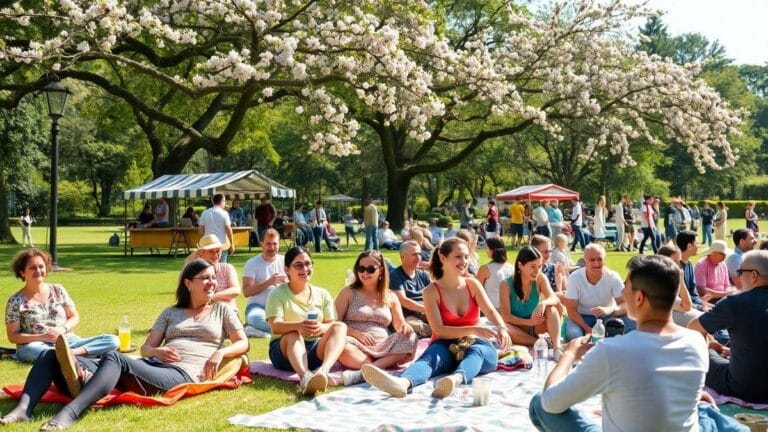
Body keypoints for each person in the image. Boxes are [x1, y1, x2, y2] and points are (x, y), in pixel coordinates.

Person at [0, 259, 248, 429]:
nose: (212, 283)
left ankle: (72, 410)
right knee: (50, 355)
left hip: (181, 373)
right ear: (188, 283)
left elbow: (243, 343)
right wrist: (157, 350)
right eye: (205, 278)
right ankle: (24, 408)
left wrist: (221, 352)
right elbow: (146, 349)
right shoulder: (170, 313)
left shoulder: (222, 310)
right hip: (152, 365)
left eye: (213, 278)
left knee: (114, 357)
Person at [529, 255, 744, 432]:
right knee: (704, 412)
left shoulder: (611, 351)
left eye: (626, 286)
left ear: (639, 298)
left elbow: (551, 403)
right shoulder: (697, 341)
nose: (622, 292)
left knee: (539, 403)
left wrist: (569, 355)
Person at [361, 238, 512, 399]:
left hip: (474, 343)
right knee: (429, 359)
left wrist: (502, 327)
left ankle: (455, 379)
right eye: (458, 256)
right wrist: (474, 328)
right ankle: (402, 384)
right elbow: (439, 330)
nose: (464, 261)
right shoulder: (431, 291)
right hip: (445, 344)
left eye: (466, 257)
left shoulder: (472, 284)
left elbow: (489, 310)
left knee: (478, 351)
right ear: (443, 258)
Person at [5, 249, 119, 363]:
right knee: (33, 350)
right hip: (36, 345)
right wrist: (43, 336)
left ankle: (71, 354)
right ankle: (76, 355)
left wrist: (62, 329)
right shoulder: (15, 301)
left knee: (113, 340)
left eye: (41, 266)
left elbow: (74, 317)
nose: (38, 271)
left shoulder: (58, 290)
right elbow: (13, 336)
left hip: (68, 340)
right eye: (32, 268)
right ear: (22, 272)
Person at [265, 246, 347, 395]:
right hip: (284, 352)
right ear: (287, 269)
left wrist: (320, 328)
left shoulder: (322, 294)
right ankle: (305, 377)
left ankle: (323, 371)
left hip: (314, 347)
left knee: (340, 327)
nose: (305, 268)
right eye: (298, 265)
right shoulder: (277, 294)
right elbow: (275, 326)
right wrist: (299, 326)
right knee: (294, 334)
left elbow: (330, 325)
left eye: (308, 264)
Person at [689, 250, 768, 404]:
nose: (738, 277)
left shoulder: (735, 303)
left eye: (740, 272)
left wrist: (710, 347)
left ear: (753, 276)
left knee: (707, 353)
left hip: (746, 388)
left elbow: (693, 328)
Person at [336, 250, 418, 386]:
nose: (364, 273)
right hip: (354, 343)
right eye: (361, 268)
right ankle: (375, 369)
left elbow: (400, 324)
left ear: (380, 270)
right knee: (341, 347)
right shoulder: (348, 292)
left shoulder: (390, 296)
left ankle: (365, 372)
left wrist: (405, 327)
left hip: (384, 347)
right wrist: (357, 334)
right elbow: (335, 324)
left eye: (370, 269)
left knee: (411, 338)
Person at [564, 244, 635, 340]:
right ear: (585, 260)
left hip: (607, 316)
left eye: (599, 259)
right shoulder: (575, 278)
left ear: (604, 259)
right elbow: (571, 309)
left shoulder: (613, 276)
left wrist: (610, 309)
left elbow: (625, 304)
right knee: (574, 334)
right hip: (581, 317)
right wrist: (587, 328)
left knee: (631, 324)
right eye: (592, 260)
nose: (596, 263)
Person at [499, 246, 562, 354]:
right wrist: (528, 322)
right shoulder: (505, 284)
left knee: (551, 308)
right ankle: (541, 343)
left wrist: (543, 303)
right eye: (532, 266)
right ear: (520, 265)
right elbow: (506, 316)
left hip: (537, 328)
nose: (537, 271)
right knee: (503, 328)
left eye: (539, 266)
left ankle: (557, 348)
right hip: (517, 330)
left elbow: (554, 298)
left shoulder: (540, 278)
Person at [242, 229, 287, 338]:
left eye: (275, 244)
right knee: (255, 319)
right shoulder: (252, 263)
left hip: (281, 307)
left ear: (279, 244)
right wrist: (269, 282)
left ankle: (260, 332)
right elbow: (247, 292)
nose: (272, 248)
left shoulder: (286, 261)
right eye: (268, 244)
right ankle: (287, 330)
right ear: (261, 244)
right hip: (257, 307)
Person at [186, 234, 241, 314]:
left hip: (229, 312)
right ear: (201, 253)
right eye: (211, 251)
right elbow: (187, 291)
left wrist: (212, 297)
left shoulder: (227, 268)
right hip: (202, 314)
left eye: (218, 250)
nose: (216, 254)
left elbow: (236, 290)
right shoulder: (195, 271)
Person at [389, 241, 433, 338]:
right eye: (414, 254)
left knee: (446, 319)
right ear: (403, 257)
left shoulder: (423, 274)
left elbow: (435, 294)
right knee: (417, 327)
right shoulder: (395, 276)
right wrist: (427, 309)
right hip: (408, 316)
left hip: (425, 310)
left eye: (419, 254)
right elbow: (403, 301)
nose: (418, 258)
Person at [656, 244, 700, 327]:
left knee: (705, 317)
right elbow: (687, 306)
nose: (678, 265)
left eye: (679, 261)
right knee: (700, 320)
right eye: (674, 261)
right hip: (661, 318)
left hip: (673, 311)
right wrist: (681, 280)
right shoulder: (658, 280)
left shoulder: (668, 277)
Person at [476, 237, 514, 309]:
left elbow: (476, 291)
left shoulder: (485, 269)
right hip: (509, 307)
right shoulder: (512, 267)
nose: (485, 250)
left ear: (493, 250)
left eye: (487, 247)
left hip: (490, 308)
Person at [199, 194, 235, 262]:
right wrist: (232, 244)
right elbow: (228, 229)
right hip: (221, 244)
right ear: (222, 201)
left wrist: (201, 241)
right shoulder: (224, 213)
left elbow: (200, 228)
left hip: (208, 244)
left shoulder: (205, 213)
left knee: (208, 266)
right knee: (221, 267)